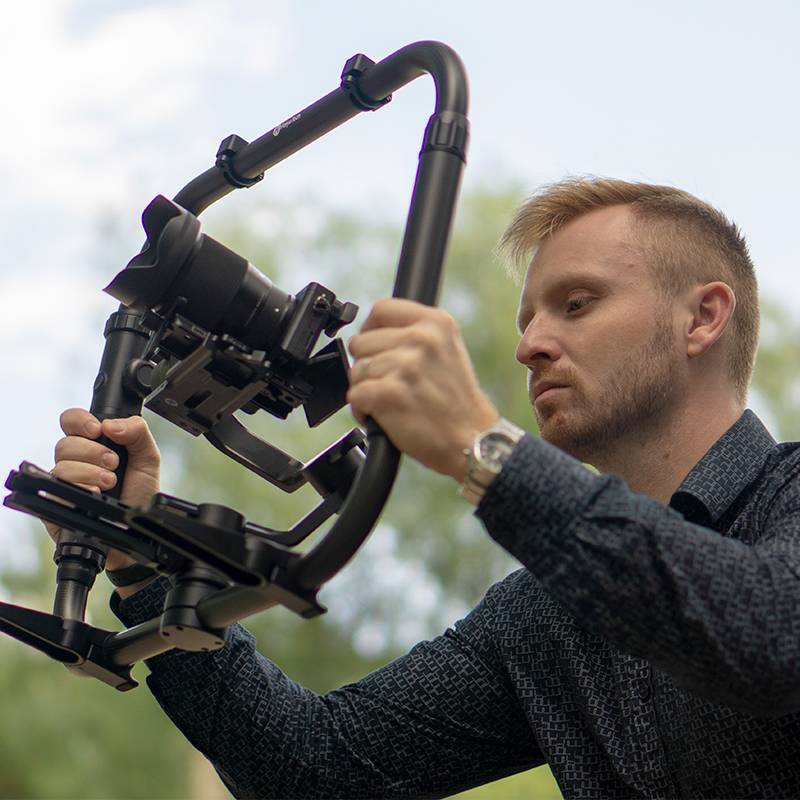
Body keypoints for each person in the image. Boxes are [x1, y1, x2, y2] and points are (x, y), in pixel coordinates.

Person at [50, 178, 800, 798]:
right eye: (528, 319)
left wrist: (484, 446)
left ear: (703, 317)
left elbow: (769, 636)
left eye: (577, 304)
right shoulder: (544, 613)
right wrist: (142, 561)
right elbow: (313, 770)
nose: (529, 345)